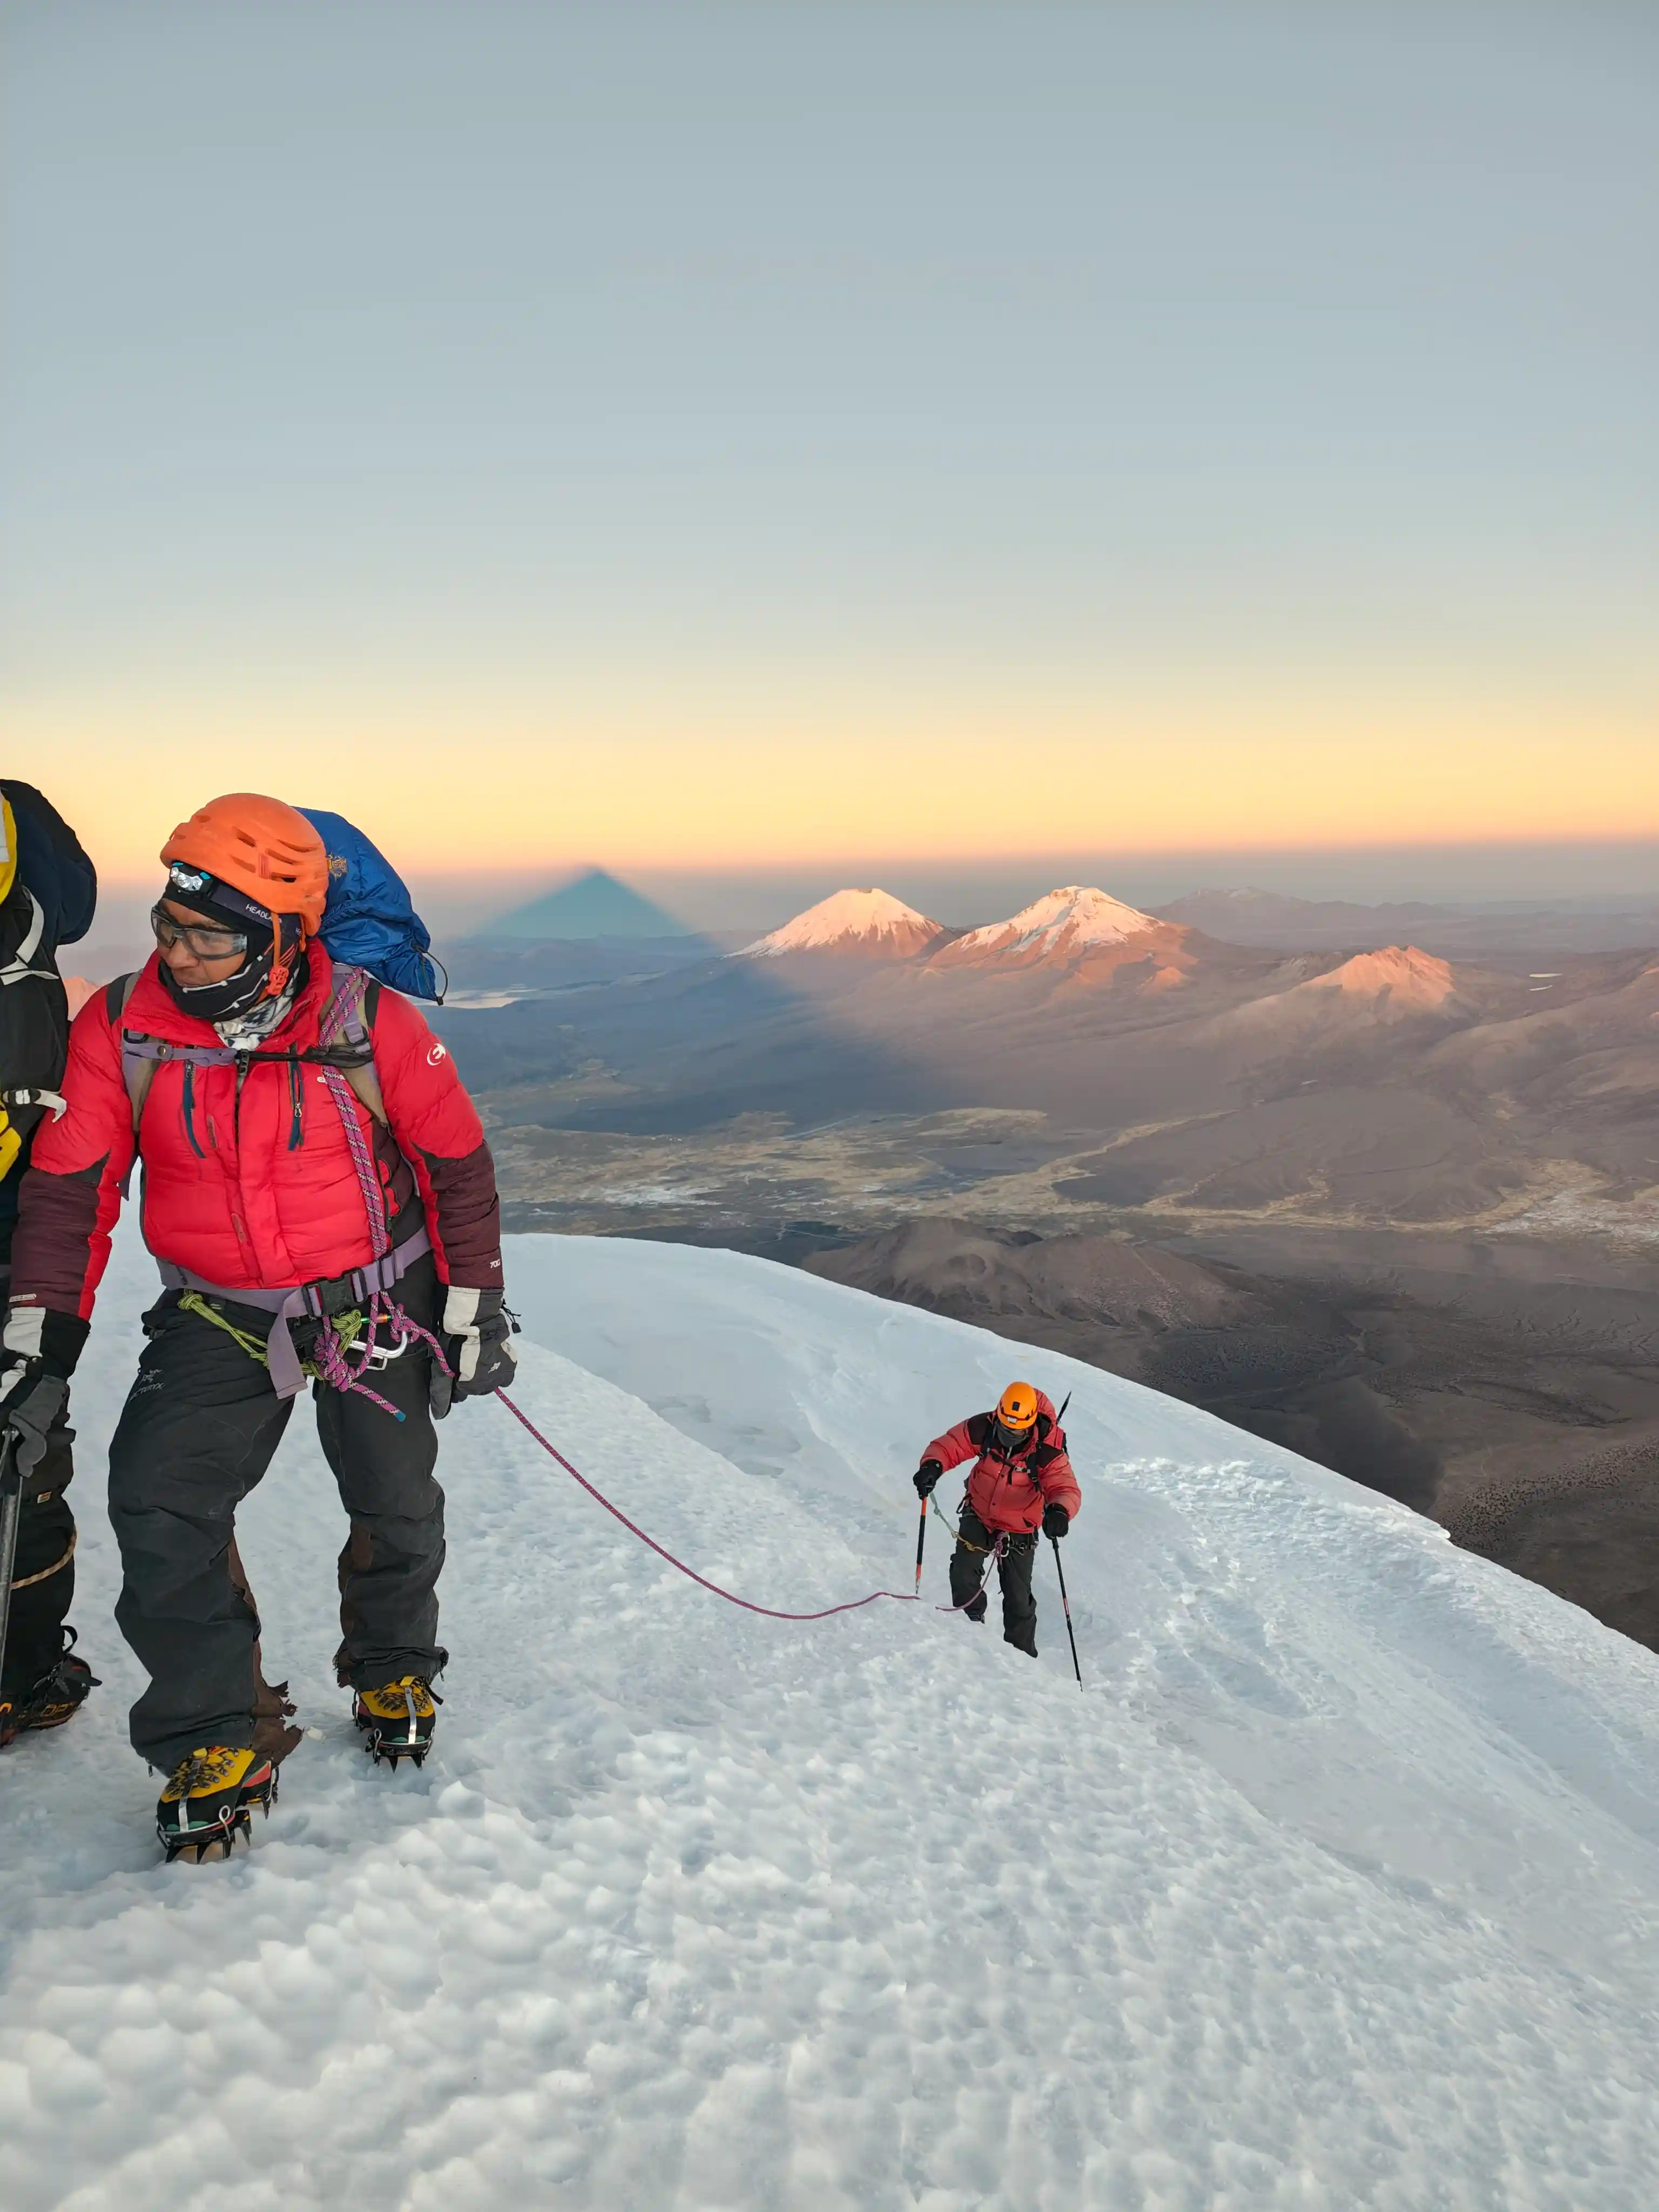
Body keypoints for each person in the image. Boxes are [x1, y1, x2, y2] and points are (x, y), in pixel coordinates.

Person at [5, 793, 515, 1857]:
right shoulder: (125, 1027)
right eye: (169, 925)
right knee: (158, 1494)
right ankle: (214, 1728)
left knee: (393, 1493)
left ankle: (391, 1671)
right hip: (220, 1308)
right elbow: (71, 1191)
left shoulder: (368, 1021)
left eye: (209, 935)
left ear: (282, 938)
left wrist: (470, 1303)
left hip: (375, 1301)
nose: (179, 953)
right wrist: (41, 1341)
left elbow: (455, 1160)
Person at [0, 782, 100, 1745]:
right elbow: (76, 901)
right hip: (12, 1194)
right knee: (20, 1439)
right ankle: (22, 1673)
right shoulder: (14, 813)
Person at [913, 1381, 1080, 1657]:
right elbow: (950, 1445)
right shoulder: (985, 1427)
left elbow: (1064, 1488)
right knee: (963, 1573)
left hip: (1019, 1527)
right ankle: (969, 1629)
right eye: (1004, 1427)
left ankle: (1021, 1659)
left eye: (1015, 1430)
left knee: (1018, 1597)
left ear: (1030, 1423)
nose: (1008, 1434)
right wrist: (933, 1465)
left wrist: (1060, 1511)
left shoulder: (1048, 1450)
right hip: (978, 1512)